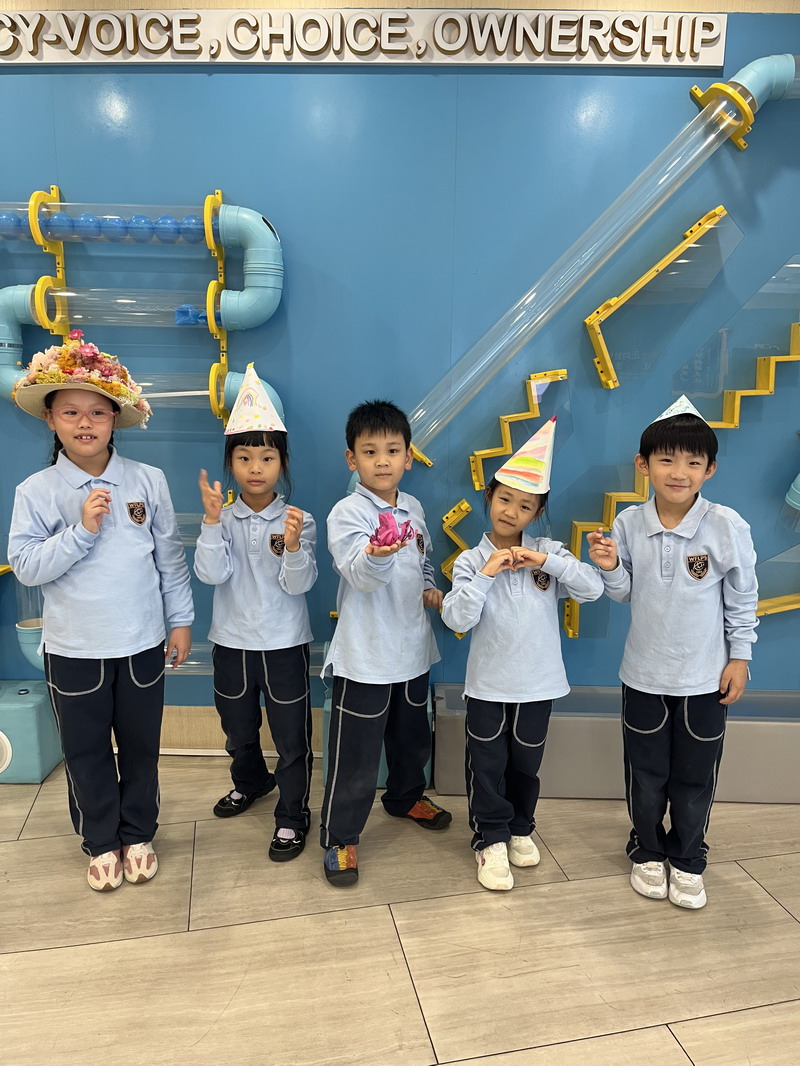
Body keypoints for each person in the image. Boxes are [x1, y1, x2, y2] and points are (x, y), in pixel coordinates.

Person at [8, 332, 193, 891]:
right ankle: (100, 840)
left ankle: (138, 834)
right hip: (74, 649)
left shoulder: (147, 480)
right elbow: (26, 566)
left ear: (115, 418)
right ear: (50, 419)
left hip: (141, 642)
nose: (84, 422)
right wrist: (81, 530)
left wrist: (180, 621)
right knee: (85, 751)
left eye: (97, 411)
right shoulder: (36, 491)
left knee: (140, 747)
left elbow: (169, 559)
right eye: (70, 412)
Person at [587, 396, 758, 910]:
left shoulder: (726, 525)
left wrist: (740, 657)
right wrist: (610, 565)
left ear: (710, 469)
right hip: (643, 675)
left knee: (695, 775)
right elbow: (624, 593)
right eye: (666, 459)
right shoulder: (628, 523)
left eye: (692, 461)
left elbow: (743, 596)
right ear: (643, 465)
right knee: (646, 775)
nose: (679, 472)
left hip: (705, 679)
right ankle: (646, 849)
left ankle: (687, 856)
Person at [442, 418, 603, 890]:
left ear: (537, 513)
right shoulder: (471, 560)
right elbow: (456, 618)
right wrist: (487, 572)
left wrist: (545, 560)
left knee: (526, 764)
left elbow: (592, 589)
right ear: (489, 498)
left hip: (539, 684)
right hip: (488, 687)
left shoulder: (549, 554)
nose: (512, 511)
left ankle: (519, 828)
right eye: (505, 499)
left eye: (525, 505)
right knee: (486, 763)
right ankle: (489, 838)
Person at [320, 399, 451, 886]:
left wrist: (431, 589)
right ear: (351, 459)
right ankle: (340, 836)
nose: (382, 461)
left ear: (408, 457)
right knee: (355, 757)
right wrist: (377, 555)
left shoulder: (413, 508)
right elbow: (359, 574)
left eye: (392, 450)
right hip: (365, 657)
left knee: (412, 739)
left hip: (412, 650)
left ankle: (405, 797)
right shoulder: (347, 513)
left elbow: (422, 561)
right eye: (369, 451)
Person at [194, 365, 316, 862]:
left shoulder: (298, 520)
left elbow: (299, 584)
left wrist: (293, 546)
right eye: (244, 458)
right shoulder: (223, 517)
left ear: (282, 463)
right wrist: (210, 521)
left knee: (291, 737)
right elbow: (211, 574)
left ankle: (293, 814)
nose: (255, 467)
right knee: (238, 728)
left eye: (267, 457)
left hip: (284, 644)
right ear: (231, 462)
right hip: (231, 643)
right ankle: (251, 782)